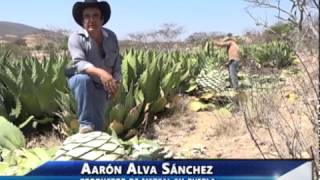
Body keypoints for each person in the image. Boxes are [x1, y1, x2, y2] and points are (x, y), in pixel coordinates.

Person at [66, 0, 121, 133]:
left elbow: (117, 62)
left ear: (102, 19)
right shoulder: (75, 38)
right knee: (83, 80)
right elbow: (79, 63)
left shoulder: (111, 36)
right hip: (80, 83)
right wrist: (101, 73)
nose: (91, 19)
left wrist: (116, 82)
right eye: (87, 16)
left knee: (98, 126)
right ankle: (84, 123)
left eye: (95, 15)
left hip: (103, 85)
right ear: (82, 20)